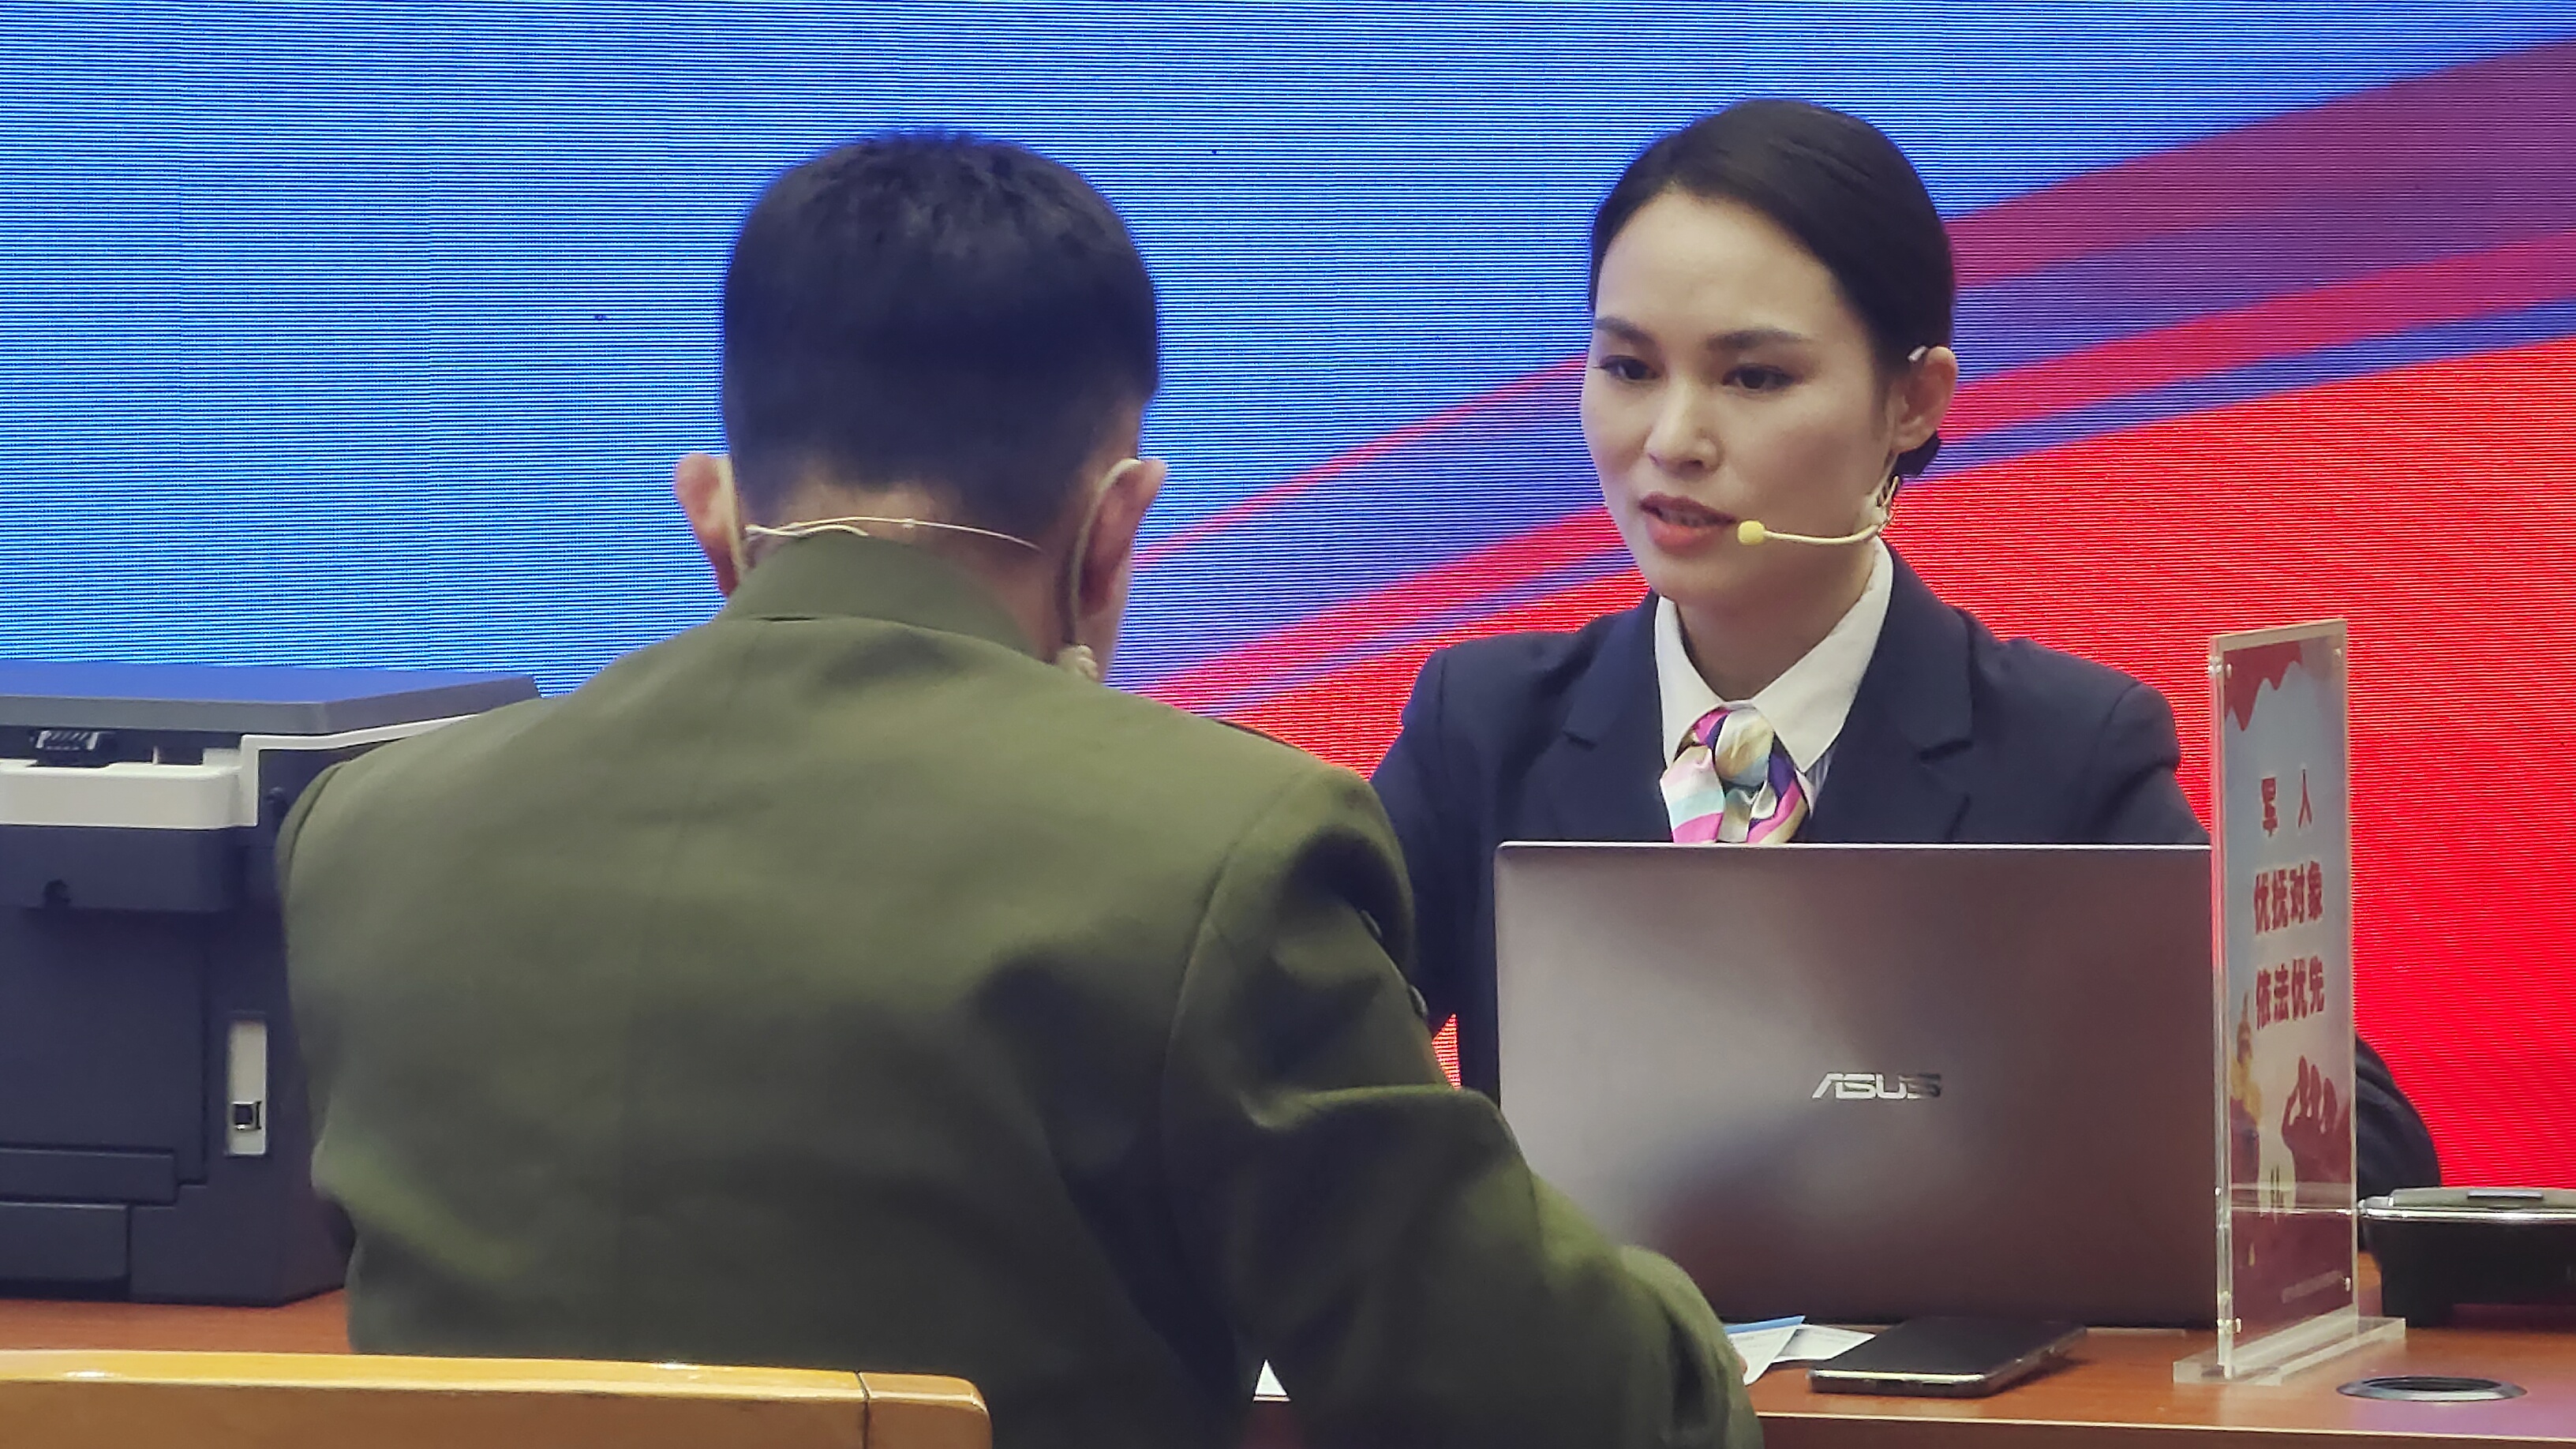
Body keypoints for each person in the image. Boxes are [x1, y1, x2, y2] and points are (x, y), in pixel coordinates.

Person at [279, 133, 1756, 1449]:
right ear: (1114, 530)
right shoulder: (1217, 854)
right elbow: (1566, 1411)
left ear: (714, 517)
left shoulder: (367, 839)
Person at [1369, 99, 2438, 1200]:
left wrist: (2106, 1113)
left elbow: (2354, 1141)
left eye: (1753, 378)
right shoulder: (1483, 728)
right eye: (1629, 367)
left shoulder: (2063, 753)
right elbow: (1280, 1048)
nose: (1672, 440)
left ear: (1913, 402)